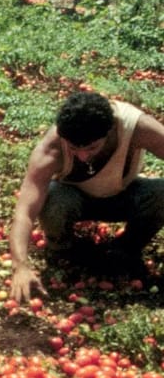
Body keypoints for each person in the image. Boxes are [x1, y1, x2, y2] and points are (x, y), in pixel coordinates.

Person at [9, 92, 164, 302]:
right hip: (73, 199)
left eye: (92, 147)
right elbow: (25, 211)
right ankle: (64, 251)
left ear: (109, 133)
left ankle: (126, 249)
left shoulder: (137, 128)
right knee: (53, 197)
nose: (83, 156)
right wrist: (20, 266)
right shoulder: (51, 148)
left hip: (124, 195)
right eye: (74, 148)